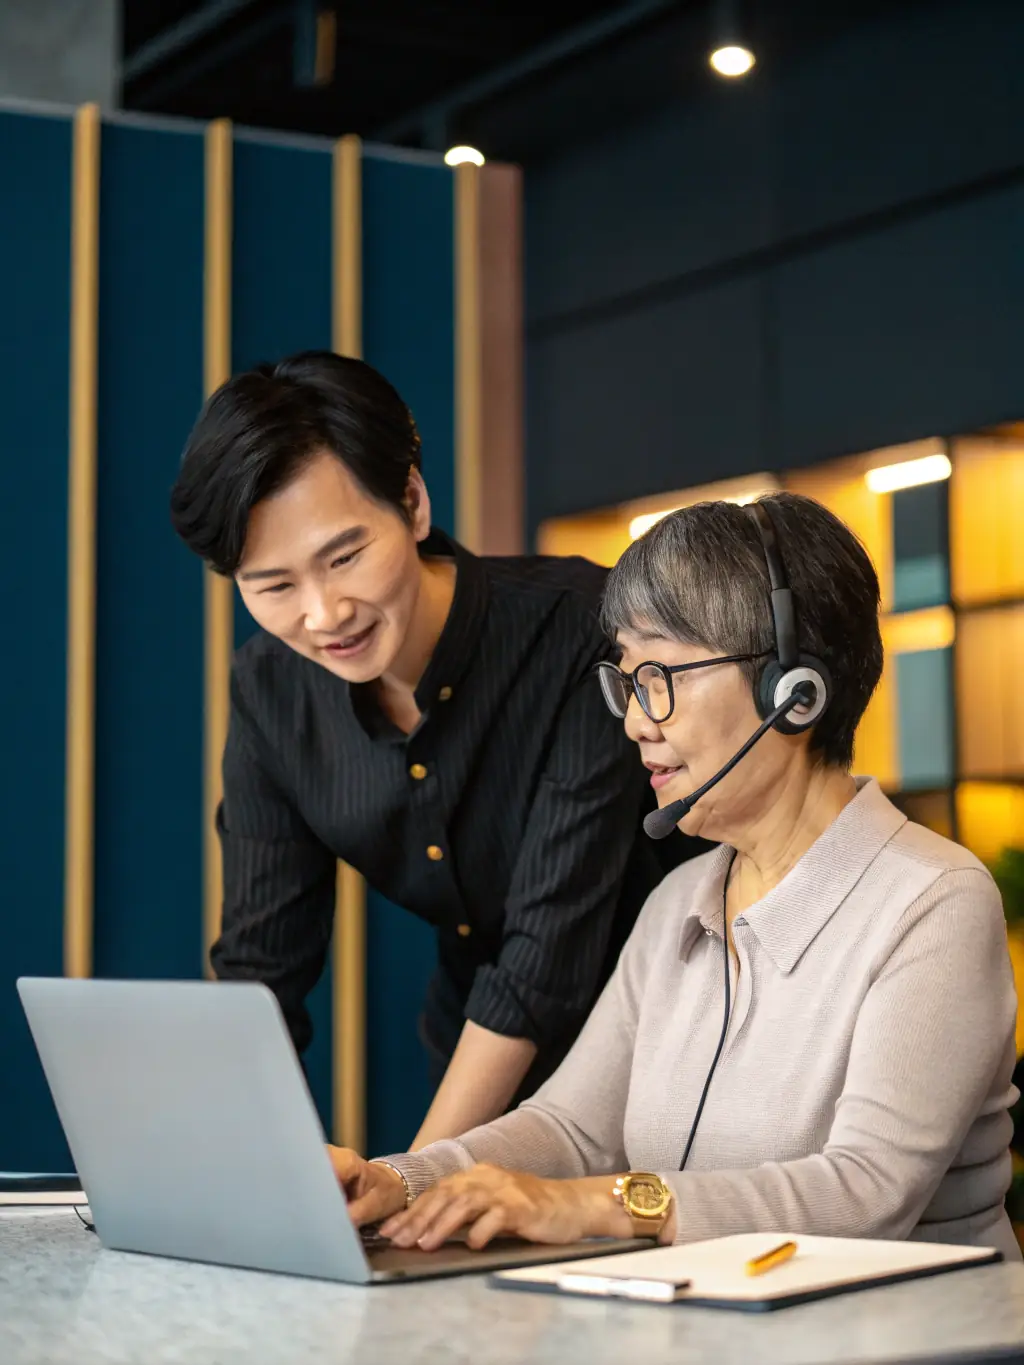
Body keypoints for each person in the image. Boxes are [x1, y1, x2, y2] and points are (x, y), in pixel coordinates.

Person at [329, 492, 1021, 1260]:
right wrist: (401, 1179)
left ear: (791, 692)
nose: (633, 720)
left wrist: (600, 1203)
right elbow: (572, 1126)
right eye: (625, 680)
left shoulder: (932, 902)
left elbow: (866, 1190)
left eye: (660, 674)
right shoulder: (679, 901)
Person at [169, 350, 696, 1149]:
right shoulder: (271, 693)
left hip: (668, 1042)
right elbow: (261, 973)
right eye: (273, 585)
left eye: (344, 557)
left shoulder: (577, 628)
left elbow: (543, 959)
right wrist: (225, 1176)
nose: (322, 613)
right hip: (472, 1053)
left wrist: (413, 1177)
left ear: (411, 502)